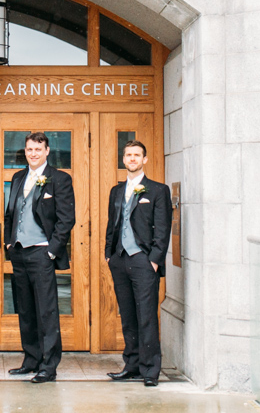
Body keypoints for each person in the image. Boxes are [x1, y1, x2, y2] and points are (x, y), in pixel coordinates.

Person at [3, 131, 75, 383]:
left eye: (37, 149)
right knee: (25, 309)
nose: (33, 153)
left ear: (46, 152)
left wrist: (51, 250)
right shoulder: (18, 177)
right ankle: (31, 359)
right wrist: (9, 242)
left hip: (42, 252)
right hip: (20, 251)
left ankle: (49, 365)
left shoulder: (60, 179)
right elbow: (11, 212)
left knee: (46, 311)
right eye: (29, 149)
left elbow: (66, 219)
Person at [104, 140, 170, 387]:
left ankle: (150, 370)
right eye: (128, 155)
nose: (132, 159)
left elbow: (162, 229)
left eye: (137, 155)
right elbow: (113, 224)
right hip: (119, 260)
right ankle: (131, 366)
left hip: (143, 261)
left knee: (146, 316)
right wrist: (108, 254)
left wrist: (154, 260)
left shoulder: (157, 190)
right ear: (123, 159)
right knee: (128, 316)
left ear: (145, 160)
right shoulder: (116, 191)